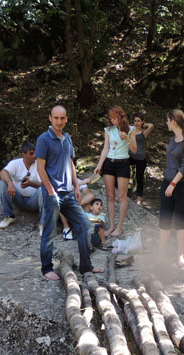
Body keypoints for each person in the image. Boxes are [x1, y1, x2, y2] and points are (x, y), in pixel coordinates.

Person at [35, 105, 103, 281]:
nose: (59, 121)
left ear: (66, 119)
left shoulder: (67, 138)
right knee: (49, 232)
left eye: (62, 118)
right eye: (56, 118)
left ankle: (86, 265)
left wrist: (75, 186)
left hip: (68, 193)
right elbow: (40, 168)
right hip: (53, 194)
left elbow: (71, 163)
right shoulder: (44, 139)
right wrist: (50, 191)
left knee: (85, 226)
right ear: (50, 118)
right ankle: (46, 268)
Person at [158, 109, 184, 269]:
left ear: (173, 121)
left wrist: (173, 184)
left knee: (179, 219)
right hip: (167, 182)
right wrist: (168, 183)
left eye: (167, 120)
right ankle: (161, 253)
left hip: (182, 185)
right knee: (164, 218)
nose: (166, 123)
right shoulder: (172, 139)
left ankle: (180, 256)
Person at [93, 105, 136, 239]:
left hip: (123, 163)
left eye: (115, 118)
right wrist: (99, 165)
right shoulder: (108, 130)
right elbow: (105, 149)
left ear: (121, 117)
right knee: (110, 196)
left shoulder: (131, 130)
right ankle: (111, 225)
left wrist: (127, 138)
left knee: (121, 197)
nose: (113, 121)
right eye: (111, 118)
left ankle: (120, 226)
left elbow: (135, 150)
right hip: (109, 163)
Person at [0, 141, 40, 228]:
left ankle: (43, 222)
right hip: (18, 199)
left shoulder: (39, 165)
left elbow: (43, 184)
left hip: (34, 201)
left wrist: (31, 184)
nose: (34, 156)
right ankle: (9, 216)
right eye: (31, 154)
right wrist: (10, 183)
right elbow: (3, 172)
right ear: (23, 154)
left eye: (35, 153)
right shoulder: (16, 163)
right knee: (3, 183)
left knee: (43, 190)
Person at [129, 113, 154, 206]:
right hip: (130, 156)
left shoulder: (144, 132)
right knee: (121, 166)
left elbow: (152, 125)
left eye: (138, 121)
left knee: (139, 178)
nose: (136, 123)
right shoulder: (130, 130)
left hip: (140, 158)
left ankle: (139, 197)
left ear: (142, 122)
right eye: (135, 121)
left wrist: (143, 124)